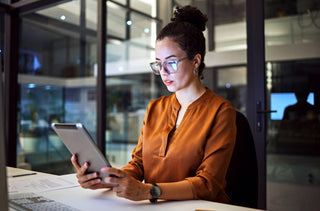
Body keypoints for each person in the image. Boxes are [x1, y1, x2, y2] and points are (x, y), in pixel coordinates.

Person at [71, 5, 236, 203]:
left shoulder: (221, 111)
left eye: (171, 62)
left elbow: (208, 183)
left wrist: (149, 191)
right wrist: (104, 179)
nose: (164, 72)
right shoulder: (155, 108)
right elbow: (139, 165)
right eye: (159, 63)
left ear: (196, 61)